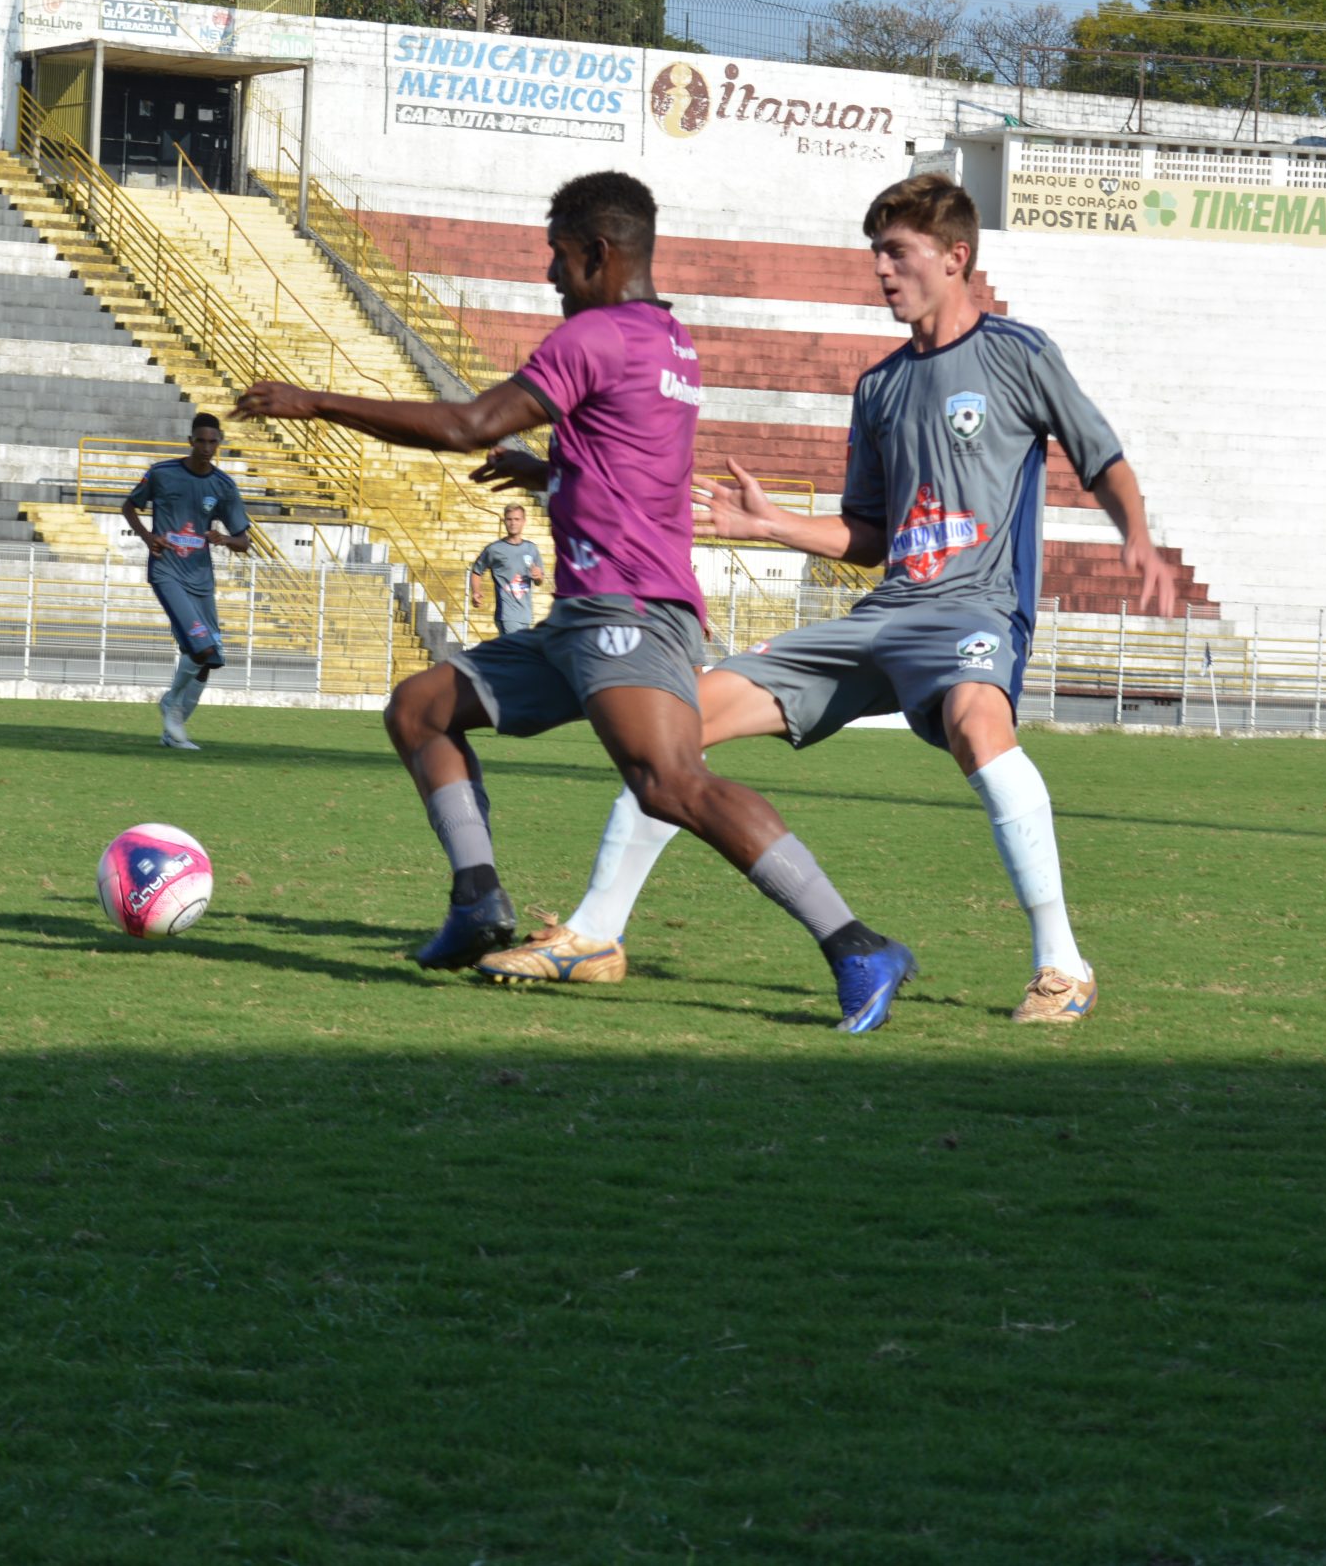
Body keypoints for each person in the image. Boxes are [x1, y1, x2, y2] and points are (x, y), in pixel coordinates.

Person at [475, 172, 1179, 1025]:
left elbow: (1102, 456)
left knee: (975, 725)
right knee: (677, 723)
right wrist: (772, 524)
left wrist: (1134, 532)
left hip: (973, 611)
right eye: (876, 253)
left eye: (898, 252)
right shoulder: (879, 386)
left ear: (956, 257)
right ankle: (594, 931)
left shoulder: (1018, 353)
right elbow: (870, 535)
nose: (881, 270)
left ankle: (1062, 964)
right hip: (885, 614)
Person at [236, 170, 915, 1032]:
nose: (549, 276)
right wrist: (554, 470)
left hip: (626, 613)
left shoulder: (593, 336)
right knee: (419, 709)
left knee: (672, 781)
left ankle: (855, 943)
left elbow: (470, 424)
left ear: (598, 253)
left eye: (557, 256)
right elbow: (636, 461)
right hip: (584, 618)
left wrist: (316, 402)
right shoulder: (669, 340)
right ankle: (479, 902)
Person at [122, 412, 253, 752]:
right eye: (201, 440)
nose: (207, 447)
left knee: (211, 659)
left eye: (214, 442)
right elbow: (129, 506)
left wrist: (222, 538)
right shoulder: (163, 473)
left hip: (201, 579)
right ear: (190, 440)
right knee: (202, 648)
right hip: (167, 572)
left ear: (219, 443)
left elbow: (245, 541)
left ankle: (173, 729)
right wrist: (148, 536)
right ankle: (170, 704)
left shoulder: (223, 486)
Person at [470, 504, 546, 635]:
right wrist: (476, 591)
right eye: (509, 519)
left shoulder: (531, 549)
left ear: (523, 521)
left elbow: (539, 581)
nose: (513, 523)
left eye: (517, 519)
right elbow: (477, 571)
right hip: (506, 614)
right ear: (504, 521)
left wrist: (538, 577)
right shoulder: (494, 549)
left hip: (525, 615)